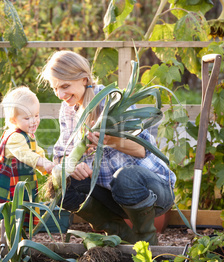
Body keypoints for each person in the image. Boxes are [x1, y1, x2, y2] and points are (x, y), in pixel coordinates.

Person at [38, 50, 176, 245]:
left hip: (152, 192)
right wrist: (71, 166)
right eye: (55, 88)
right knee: (59, 187)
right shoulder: (68, 110)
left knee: (126, 177)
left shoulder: (113, 100)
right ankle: (123, 236)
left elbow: (141, 150)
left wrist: (107, 140)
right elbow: (60, 156)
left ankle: (148, 242)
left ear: (84, 79)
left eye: (65, 86)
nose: (60, 94)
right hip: (114, 196)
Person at [0, 86, 55, 227]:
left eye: (36, 115)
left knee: (20, 211)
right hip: (6, 183)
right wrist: (43, 163)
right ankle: (5, 238)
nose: (34, 121)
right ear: (13, 120)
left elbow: (37, 151)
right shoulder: (15, 137)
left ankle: (17, 235)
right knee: (6, 212)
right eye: (27, 118)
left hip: (19, 183)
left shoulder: (27, 134)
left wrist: (47, 165)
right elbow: (26, 155)